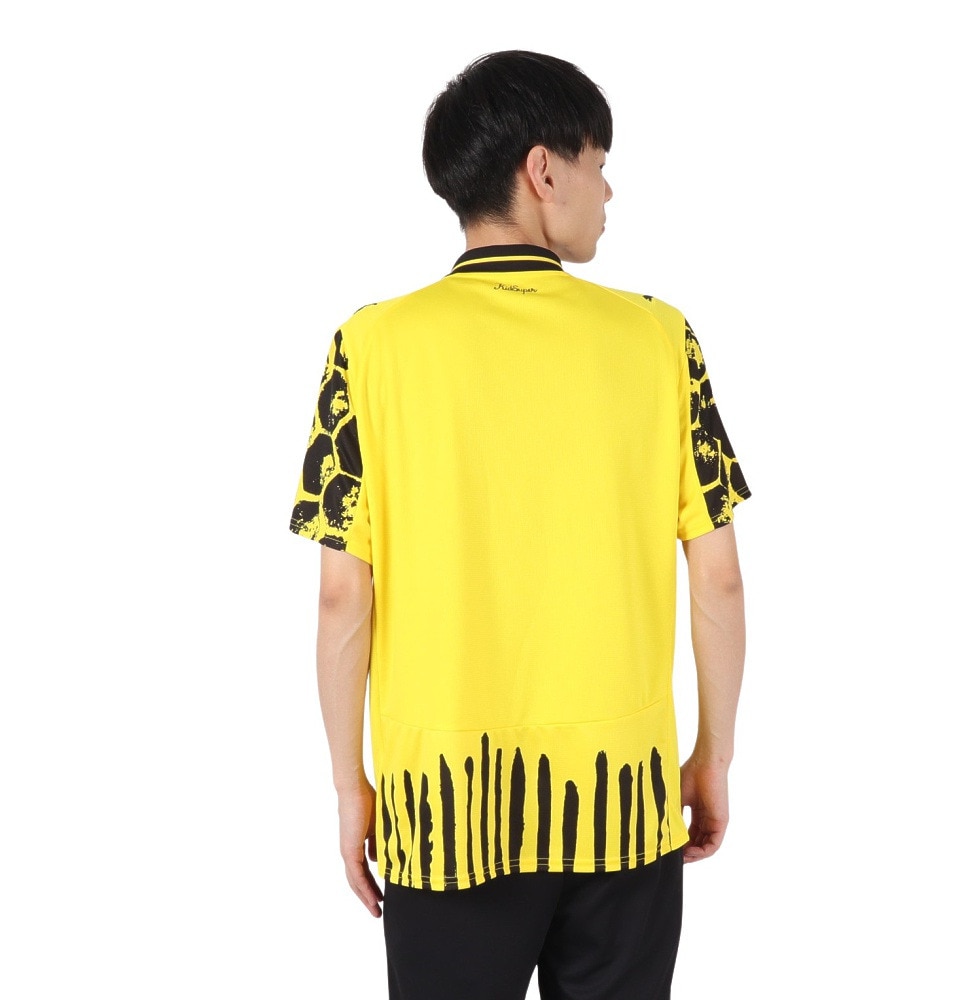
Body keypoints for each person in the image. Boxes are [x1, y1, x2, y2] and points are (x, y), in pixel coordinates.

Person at [289, 49, 750, 1000]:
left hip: (444, 808)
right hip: (622, 802)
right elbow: (719, 578)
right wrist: (712, 756)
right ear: (544, 170)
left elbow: (342, 598)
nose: (608, 190)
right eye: (598, 162)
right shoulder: (661, 338)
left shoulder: (370, 346)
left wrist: (350, 787)